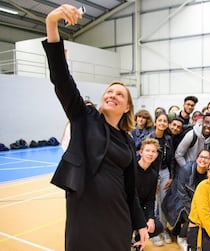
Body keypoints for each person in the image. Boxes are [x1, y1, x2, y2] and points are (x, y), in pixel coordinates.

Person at [43, 4, 148, 251]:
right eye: (109, 91)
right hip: (86, 216)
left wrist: (140, 223)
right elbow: (61, 79)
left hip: (118, 218)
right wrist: (51, 22)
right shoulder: (84, 117)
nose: (112, 95)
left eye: (119, 94)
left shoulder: (127, 140)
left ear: (127, 108)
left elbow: (130, 189)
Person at [162, 150, 210, 251]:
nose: (203, 159)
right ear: (197, 158)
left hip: (196, 202)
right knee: (192, 216)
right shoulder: (186, 169)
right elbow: (182, 193)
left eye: (206, 158)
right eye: (201, 156)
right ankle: (181, 237)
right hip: (178, 199)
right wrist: (195, 210)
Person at [145, 113, 174, 246]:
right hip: (151, 172)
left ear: (167, 124)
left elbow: (172, 159)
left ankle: (162, 228)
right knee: (153, 202)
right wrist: (152, 179)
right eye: (160, 120)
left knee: (164, 202)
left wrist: (172, 176)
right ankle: (152, 231)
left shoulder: (168, 138)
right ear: (155, 123)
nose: (162, 123)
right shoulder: (149, 137)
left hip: (165, 171)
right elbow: (145, 158)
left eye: (165, 121)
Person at [134, 138, 164, 247]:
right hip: (127, 209)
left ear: (156, 155)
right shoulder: (131, 169)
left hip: (141, 210)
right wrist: (141, 221)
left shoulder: (153, 174)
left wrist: (151, 218)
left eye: (153, 151)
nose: (150, 154)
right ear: (141, 152)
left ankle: (136, 243)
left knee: (158, 226)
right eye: (147, 150)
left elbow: (151, 199)